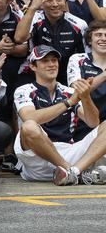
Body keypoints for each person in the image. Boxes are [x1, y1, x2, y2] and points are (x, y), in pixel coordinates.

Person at [14, 45, 106, 185]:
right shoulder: (24, 90)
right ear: (33, 66)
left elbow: (93, 122)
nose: (51, 64)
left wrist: (86, 97)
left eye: (54, 60)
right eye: (45, 61)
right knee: (29, 126)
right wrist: (69, 102)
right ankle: (72, 170)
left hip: (69, 151)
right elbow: (29, 117)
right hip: (38, 158)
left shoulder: (68, 91)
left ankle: (74, 172)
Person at [15, 0, 87, 86]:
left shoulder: (79, 24)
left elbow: (84, 56)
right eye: (49, 0)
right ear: (41, 2)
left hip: (67, 75)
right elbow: (19, 38)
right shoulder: (33, 19)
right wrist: (33, 7)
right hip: (36, 73)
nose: (55, 4)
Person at [67, 20, 106, 141]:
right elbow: (77, 91)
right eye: (98, 35)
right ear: (89, 40)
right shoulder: (78, 59)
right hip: (83, 126)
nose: (104, 39)